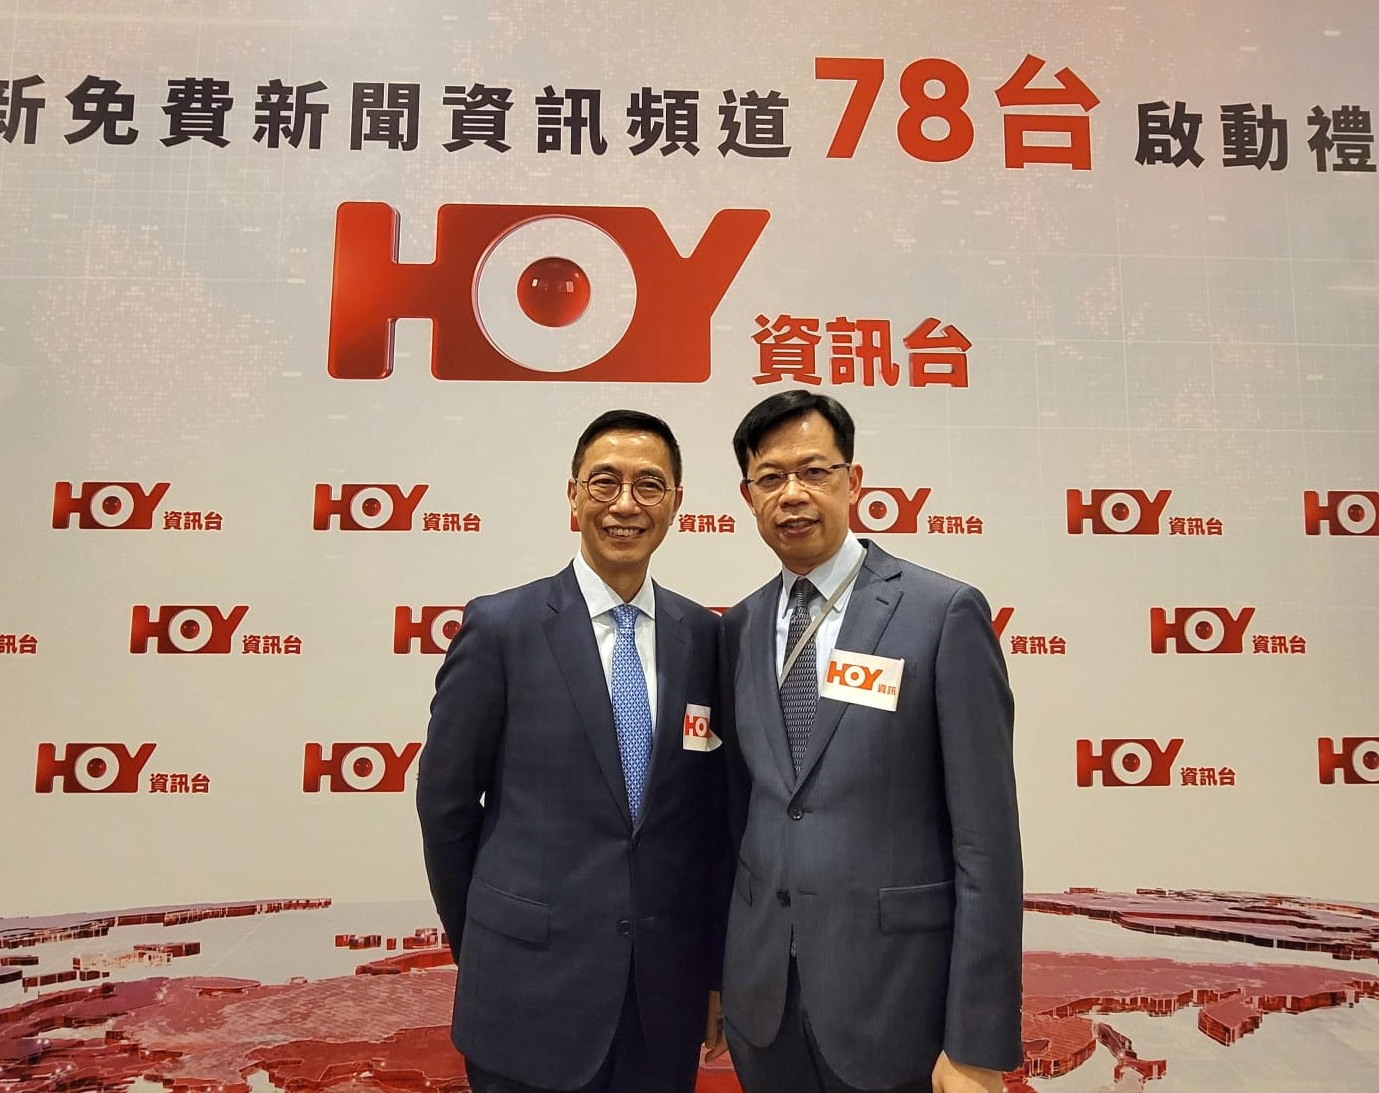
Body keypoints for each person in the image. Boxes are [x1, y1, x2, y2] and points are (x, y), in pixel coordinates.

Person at [719, 391, 1022, 1093]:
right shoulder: (736, 628)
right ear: (747, 496)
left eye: (814, 471)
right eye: (771, 477)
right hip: (764, 1008)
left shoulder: (940, 613)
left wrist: (975, 1041)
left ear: (852, 481)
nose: (793, 494)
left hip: (897, 1007)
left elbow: (987, 843)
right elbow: (738, 818)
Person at [417, 409, 727, 1093]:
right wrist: (486, 947)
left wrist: (712, 970)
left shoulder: (704, 638)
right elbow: (444, 806)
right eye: (604, 482)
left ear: (676, 502)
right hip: (524, 993)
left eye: (649, 485)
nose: (625, 504)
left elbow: (709, 825)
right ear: (573, 493)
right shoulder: (501, 627)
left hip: (662, 1003)